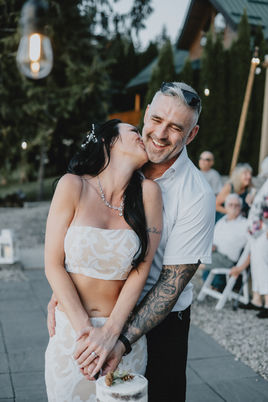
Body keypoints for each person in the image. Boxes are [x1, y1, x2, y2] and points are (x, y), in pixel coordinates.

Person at [47, 82, 215, 402]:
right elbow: (72, 250)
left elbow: (170, 283)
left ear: (190, 135)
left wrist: (116, 337)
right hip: (94, 320)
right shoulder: (115, 172)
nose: (160, 134)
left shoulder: (196, 195)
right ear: (146, 113)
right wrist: (67, 292)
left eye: (176, 128)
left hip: (158, 324)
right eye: (156, 120)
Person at [44, 119, 163, 401]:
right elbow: (53, 264)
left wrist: (110, 334)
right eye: (134, 131)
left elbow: (142, 268)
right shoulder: (72, 186)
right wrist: (85, 332)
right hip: (72, 335)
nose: (142, 136)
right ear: (109, 141)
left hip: (120, 337)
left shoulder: (149, 194)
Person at [231, 156, 268, 318]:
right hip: (256, 231)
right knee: (256, 265)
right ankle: (256, 299)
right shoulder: (265, 184)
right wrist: (252, 202)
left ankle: (267, 302)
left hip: (263, 231)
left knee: (264, 266)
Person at [201, 193, 248, 291]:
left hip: (227, 260)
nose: (233, 207)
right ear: (226, 207)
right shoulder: (222, 221)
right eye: (231, 205)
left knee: (194, 262)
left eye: (237, 205)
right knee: (193, 255)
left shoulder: (245, 224)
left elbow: (252, 246)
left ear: (240, 207)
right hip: (214, 254)